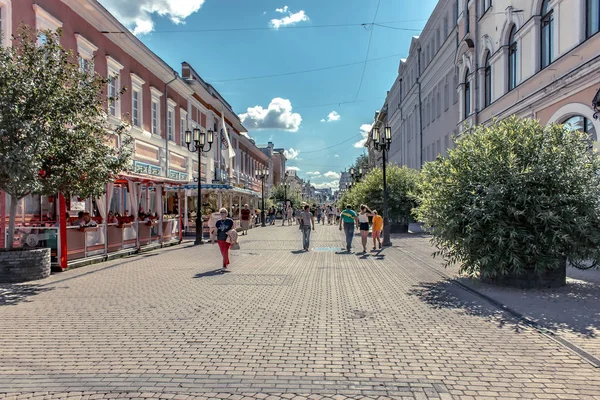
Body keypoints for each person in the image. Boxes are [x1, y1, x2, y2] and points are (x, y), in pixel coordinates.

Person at [212, 208, 234, 272]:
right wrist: (213, 239)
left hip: (227, 239)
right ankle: (226, 262)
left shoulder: (230, 221)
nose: (222, 214)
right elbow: (215, 231)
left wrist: (233, 239)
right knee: (223, 253)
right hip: (220, 239)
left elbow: (233, 230)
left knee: (225, 252)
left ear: (226, 214)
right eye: (221, 212)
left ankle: (224, 266)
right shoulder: (218, 222)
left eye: (224, 212)